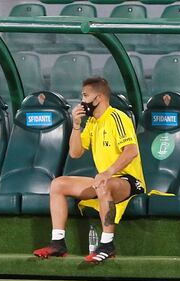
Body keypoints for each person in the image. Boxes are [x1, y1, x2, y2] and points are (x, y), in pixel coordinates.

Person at [33, 77, 146, 263]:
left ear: (99, 98)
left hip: (129, 181)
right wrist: (76, 126)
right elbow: (76, 153)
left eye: (85, 95)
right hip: (104, 181)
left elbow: (132, 151)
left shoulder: (118, 117)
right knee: (58, 184)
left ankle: (107, 244)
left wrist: (108, 173)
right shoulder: (92, 122)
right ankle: (58, 242)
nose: (82, 100)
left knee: (104, 185)